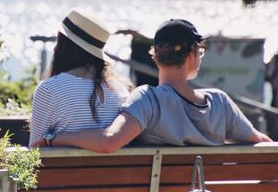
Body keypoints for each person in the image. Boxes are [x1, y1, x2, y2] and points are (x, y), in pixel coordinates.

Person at [32, 19, 272, 152]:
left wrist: (54, 138)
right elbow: (263, 144)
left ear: (155, 57)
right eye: (200, 51)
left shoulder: (147, 99)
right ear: (192, 55)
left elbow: (109, 141)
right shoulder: (220, 102)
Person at [28, 10, 130, 147]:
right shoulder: (122, 92)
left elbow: (35, 149)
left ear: (65, 45)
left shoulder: (49, 89)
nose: (54, 48)